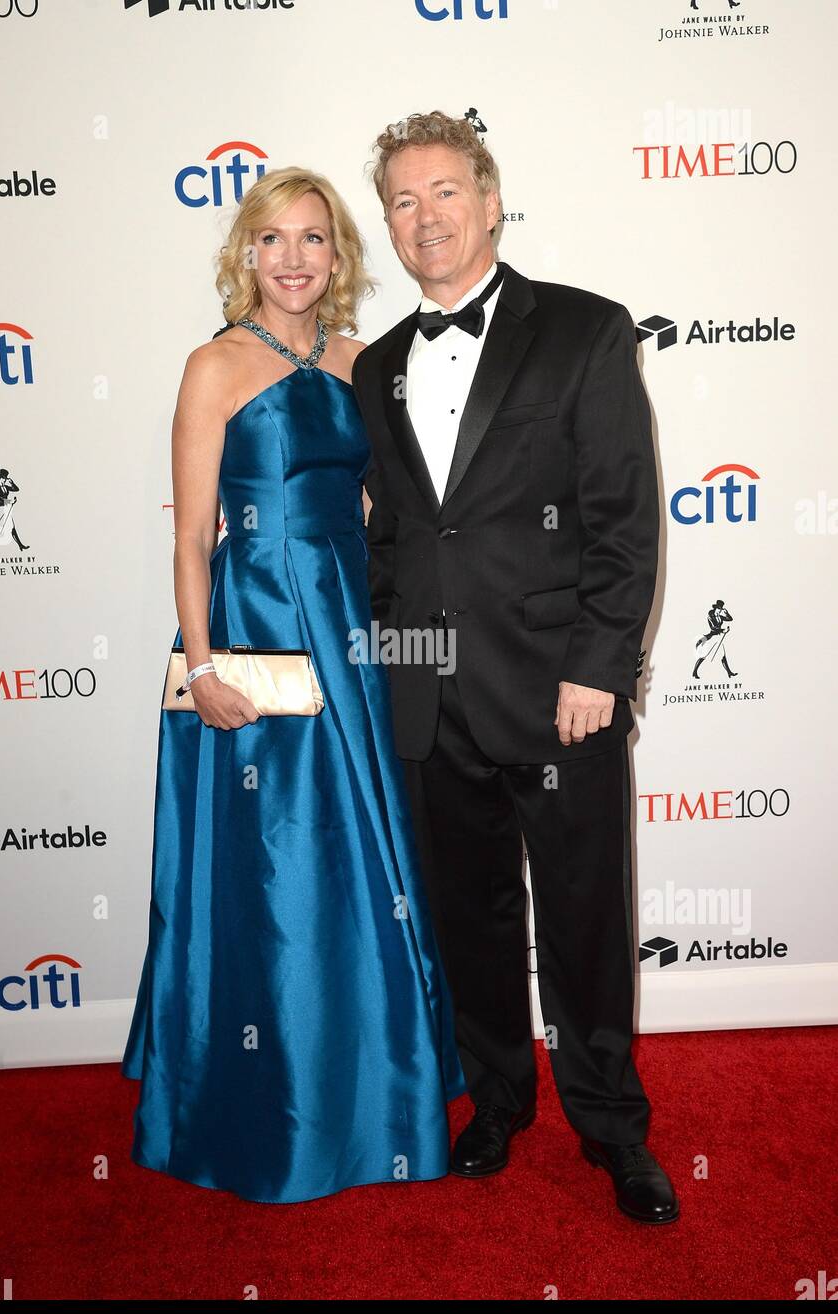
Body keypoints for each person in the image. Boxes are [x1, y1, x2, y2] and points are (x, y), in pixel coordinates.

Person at [350, 112, 679, 1223]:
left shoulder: (585, 331)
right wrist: (401, 674)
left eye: (445, 191)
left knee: (584, 915)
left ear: (490, 203)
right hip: (433, 697)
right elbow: (395, 542)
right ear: (387, 225)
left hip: (560, 695)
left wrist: (600, 666)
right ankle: (495, 1097)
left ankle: (612, 1126)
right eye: (402, 199)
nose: (425, 216)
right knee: (470, 915)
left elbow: (623, 519)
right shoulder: (381, 366)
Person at [121, 166, 465, 1205]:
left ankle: (376, 1084)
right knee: (267, 863)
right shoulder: (214, 366)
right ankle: (267, 1095)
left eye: (314, 238)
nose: (294, 259)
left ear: (338, 254)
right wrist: (205, 664)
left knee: (362, 854)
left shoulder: (363, 363)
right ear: (245, 252)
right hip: (255, 637)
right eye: (273, 239)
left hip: (350, 634)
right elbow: (188, 535)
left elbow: (381, 513)